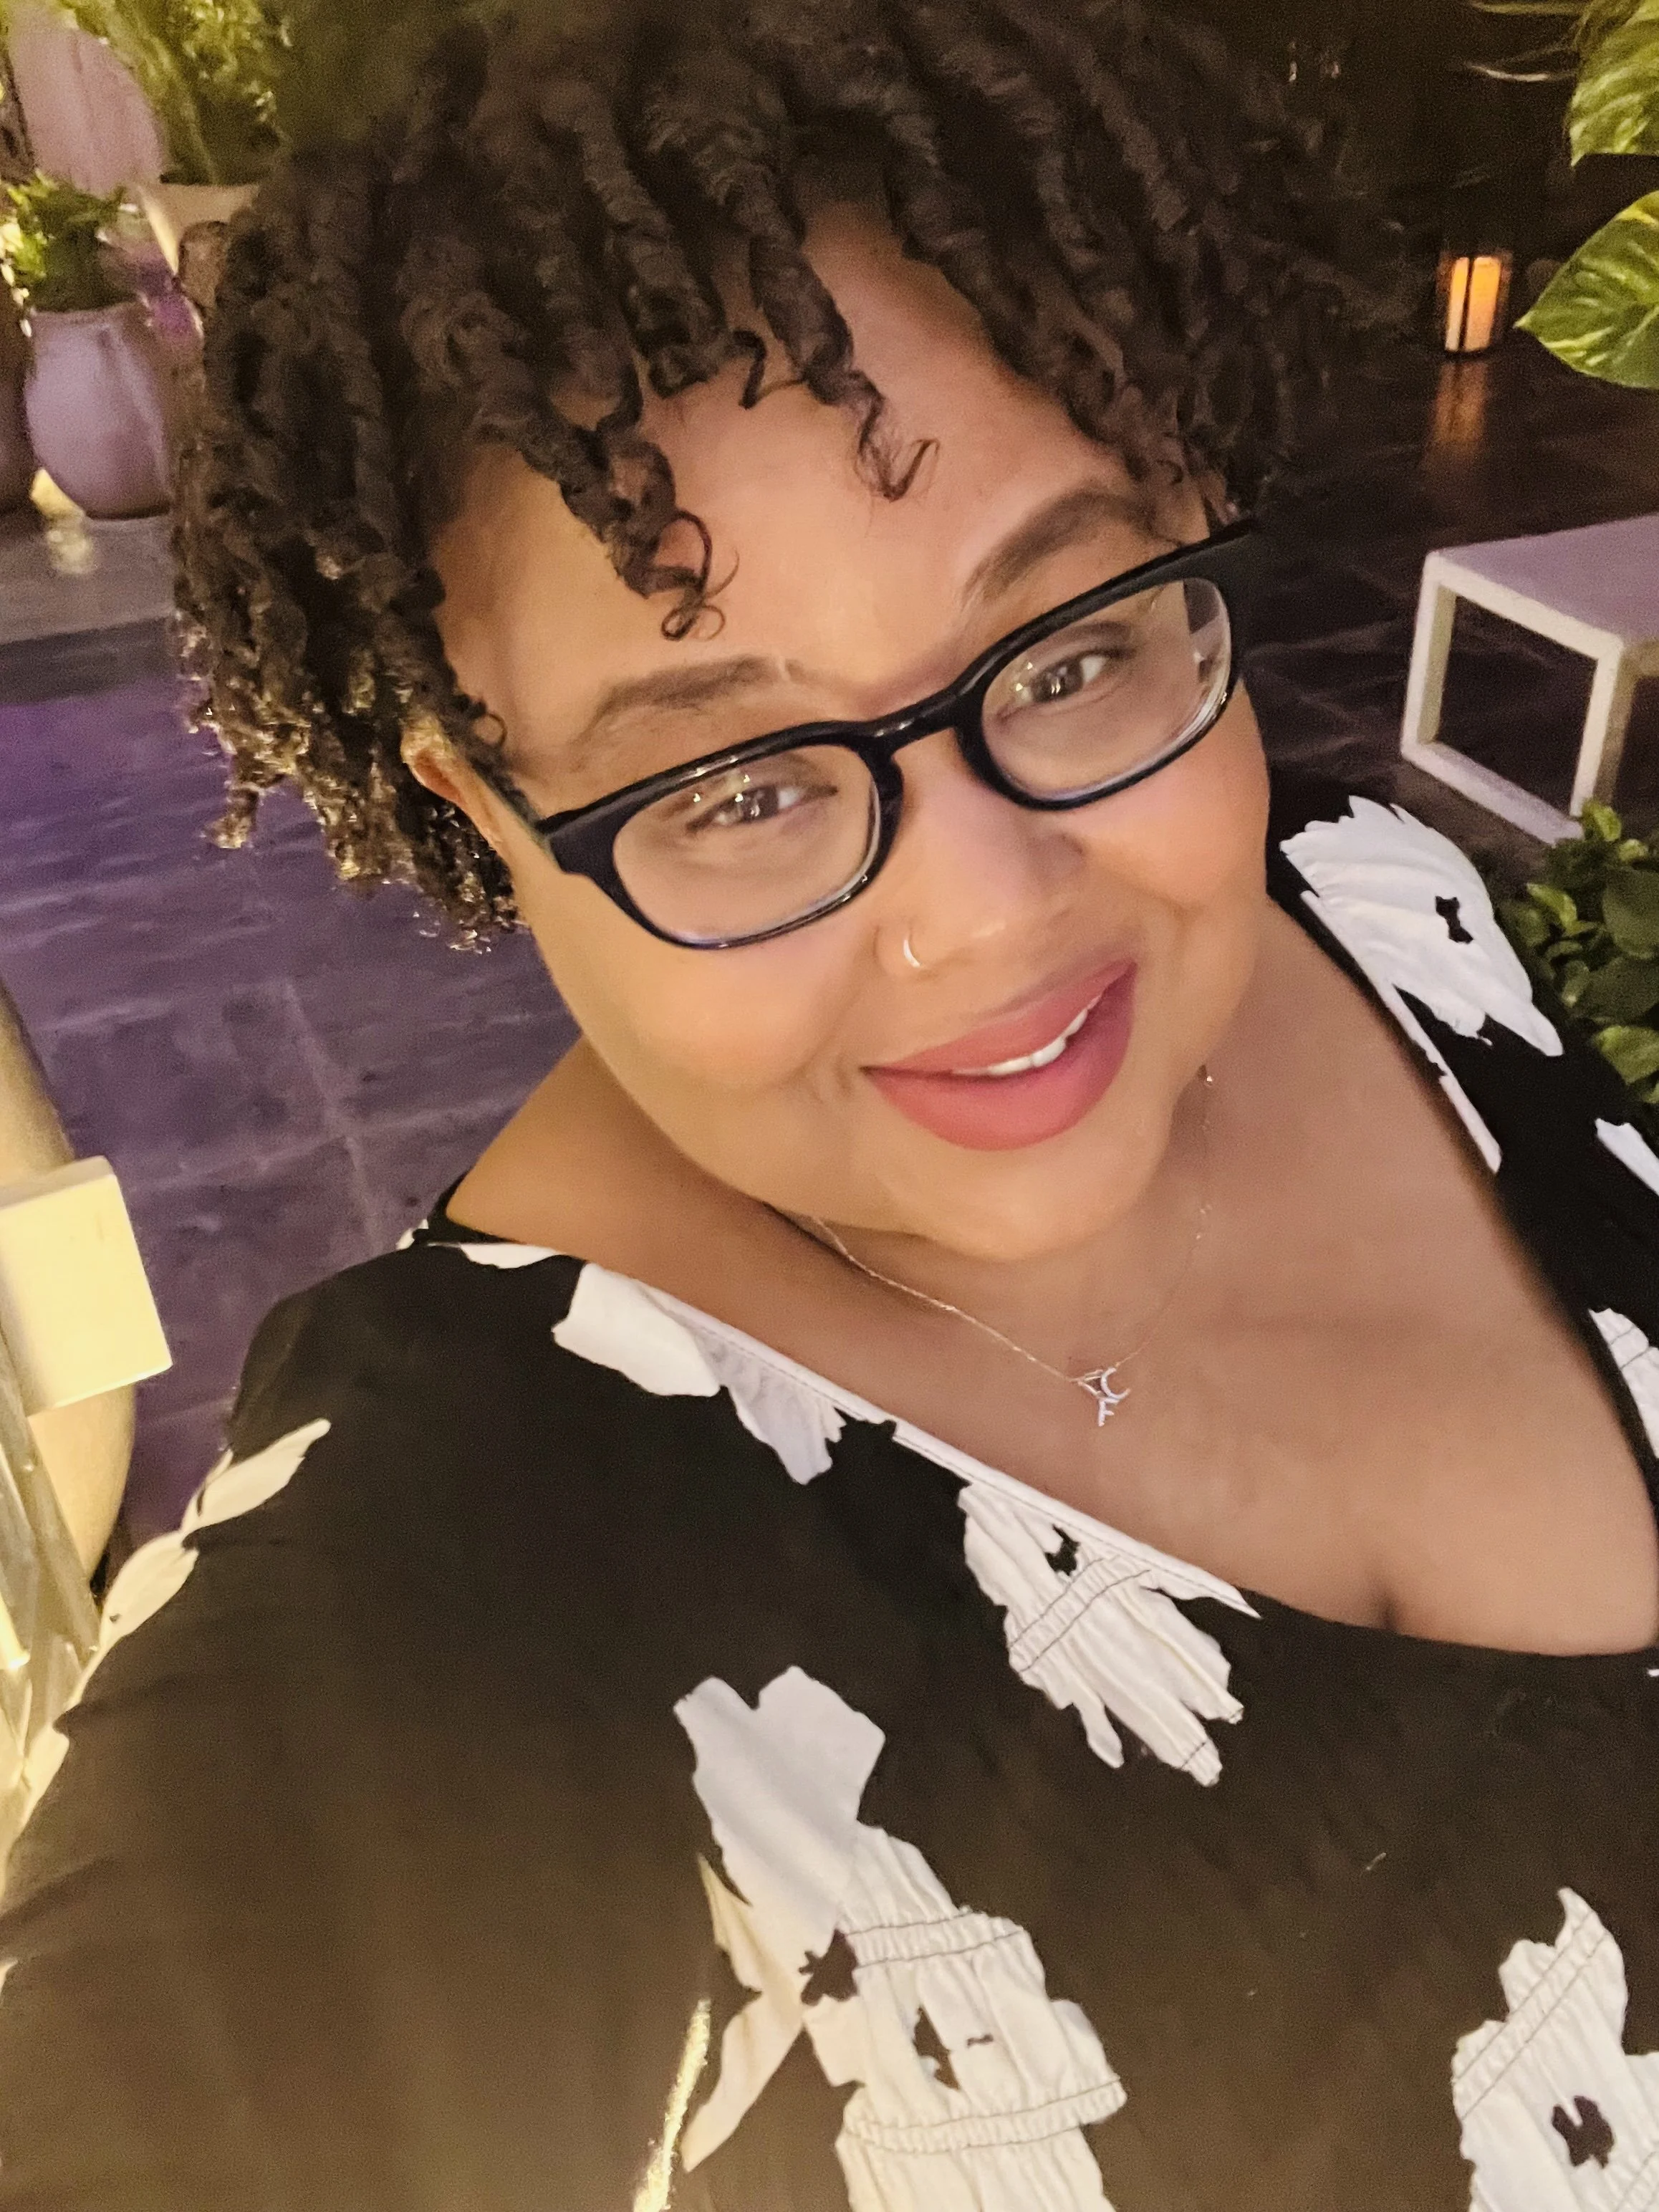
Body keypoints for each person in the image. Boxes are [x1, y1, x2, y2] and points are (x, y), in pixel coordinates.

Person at [4, 2, 1659, 2205]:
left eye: (1068, 649)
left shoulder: (1385, 915)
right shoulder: (438, 1609)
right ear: (484, 808)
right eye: (736, 782)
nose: (983, 920)